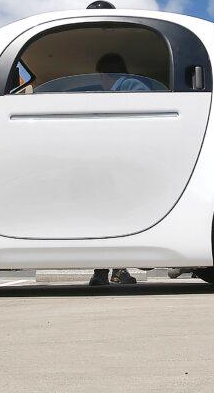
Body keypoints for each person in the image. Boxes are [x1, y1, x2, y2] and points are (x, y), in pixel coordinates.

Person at [89, 53, 141, 286]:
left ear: (103, 74)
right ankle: (114, 271)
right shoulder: (132, 87)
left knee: (106, 216)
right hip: (118, 162)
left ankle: (103, 273)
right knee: (115, 216)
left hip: (114, 162)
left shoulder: (128, 86)